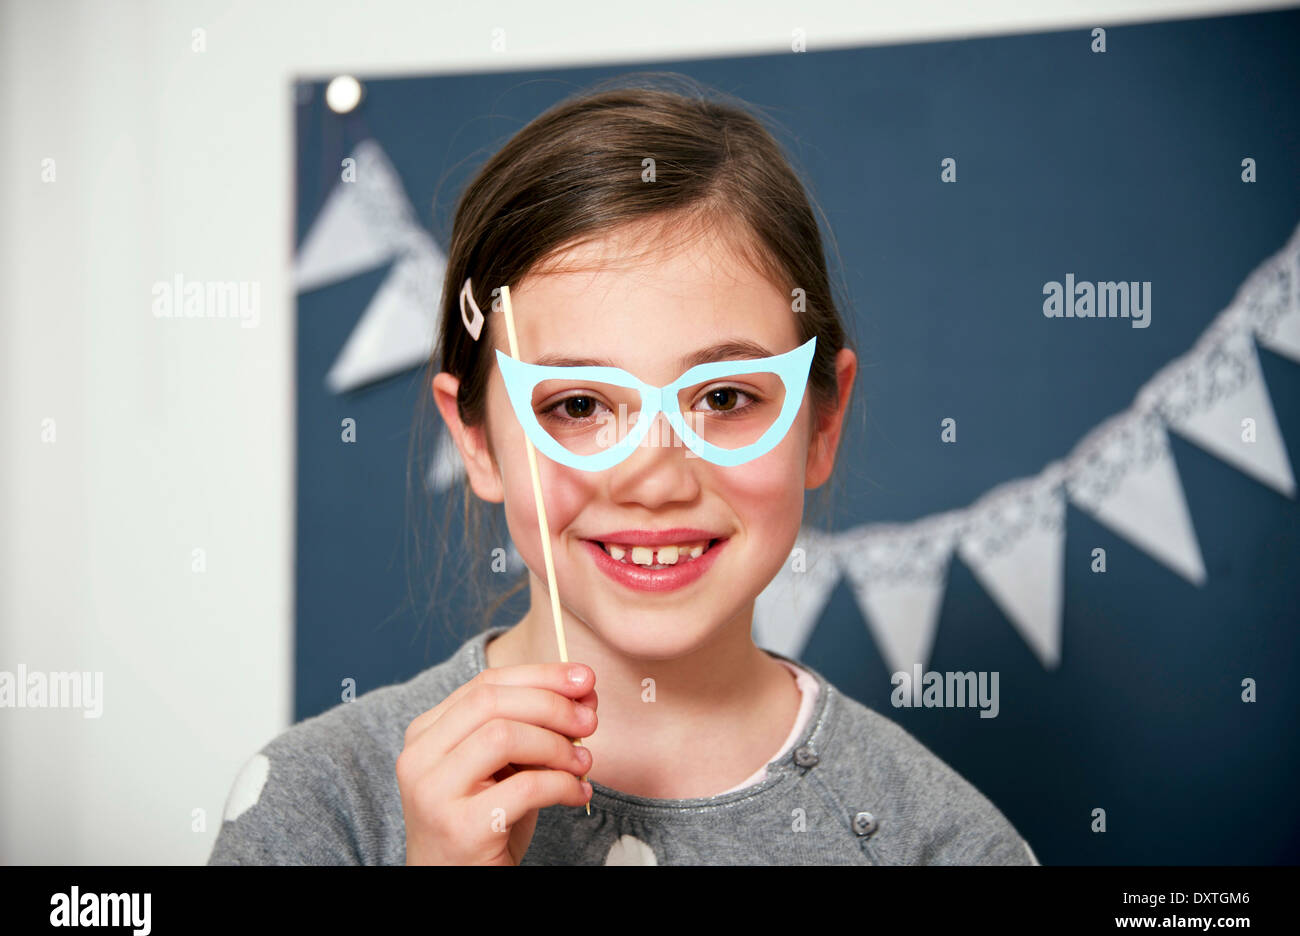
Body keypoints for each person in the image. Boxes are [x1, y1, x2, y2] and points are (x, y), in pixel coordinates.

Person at [209, 73, 1038, 866]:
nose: (655, 479)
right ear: (477, 444)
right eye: (576, 406)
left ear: (821, 422)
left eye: (723, 396)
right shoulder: (319, 807)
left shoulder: (939, 843)